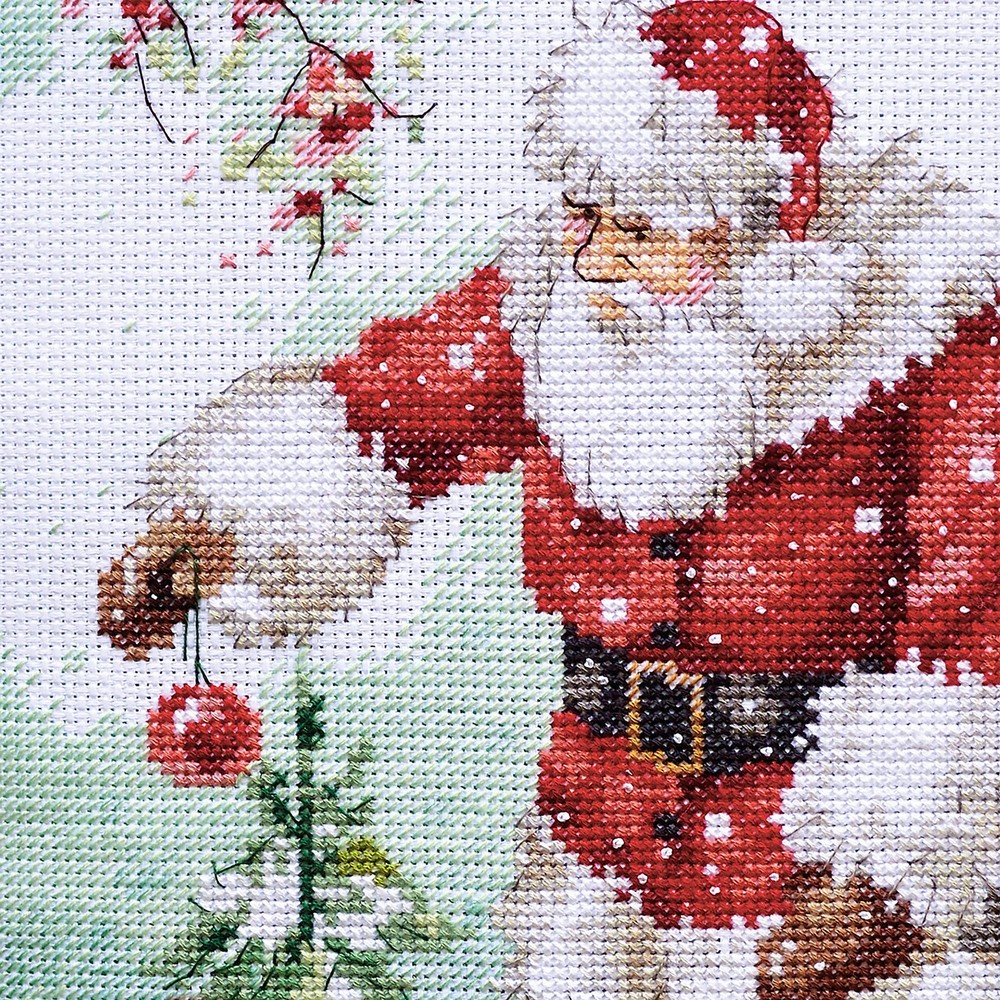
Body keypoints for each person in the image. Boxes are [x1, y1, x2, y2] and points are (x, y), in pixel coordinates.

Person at [99, 3, 1000, 996]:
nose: (593, 260)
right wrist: (214, 532)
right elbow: (391, 410)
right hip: (598, 855)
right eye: (583, 213)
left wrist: (897, 877)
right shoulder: (549, 311)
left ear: (759, 233)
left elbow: (979, 610)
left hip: (805, 872)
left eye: (641, 232)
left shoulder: (924, 334)